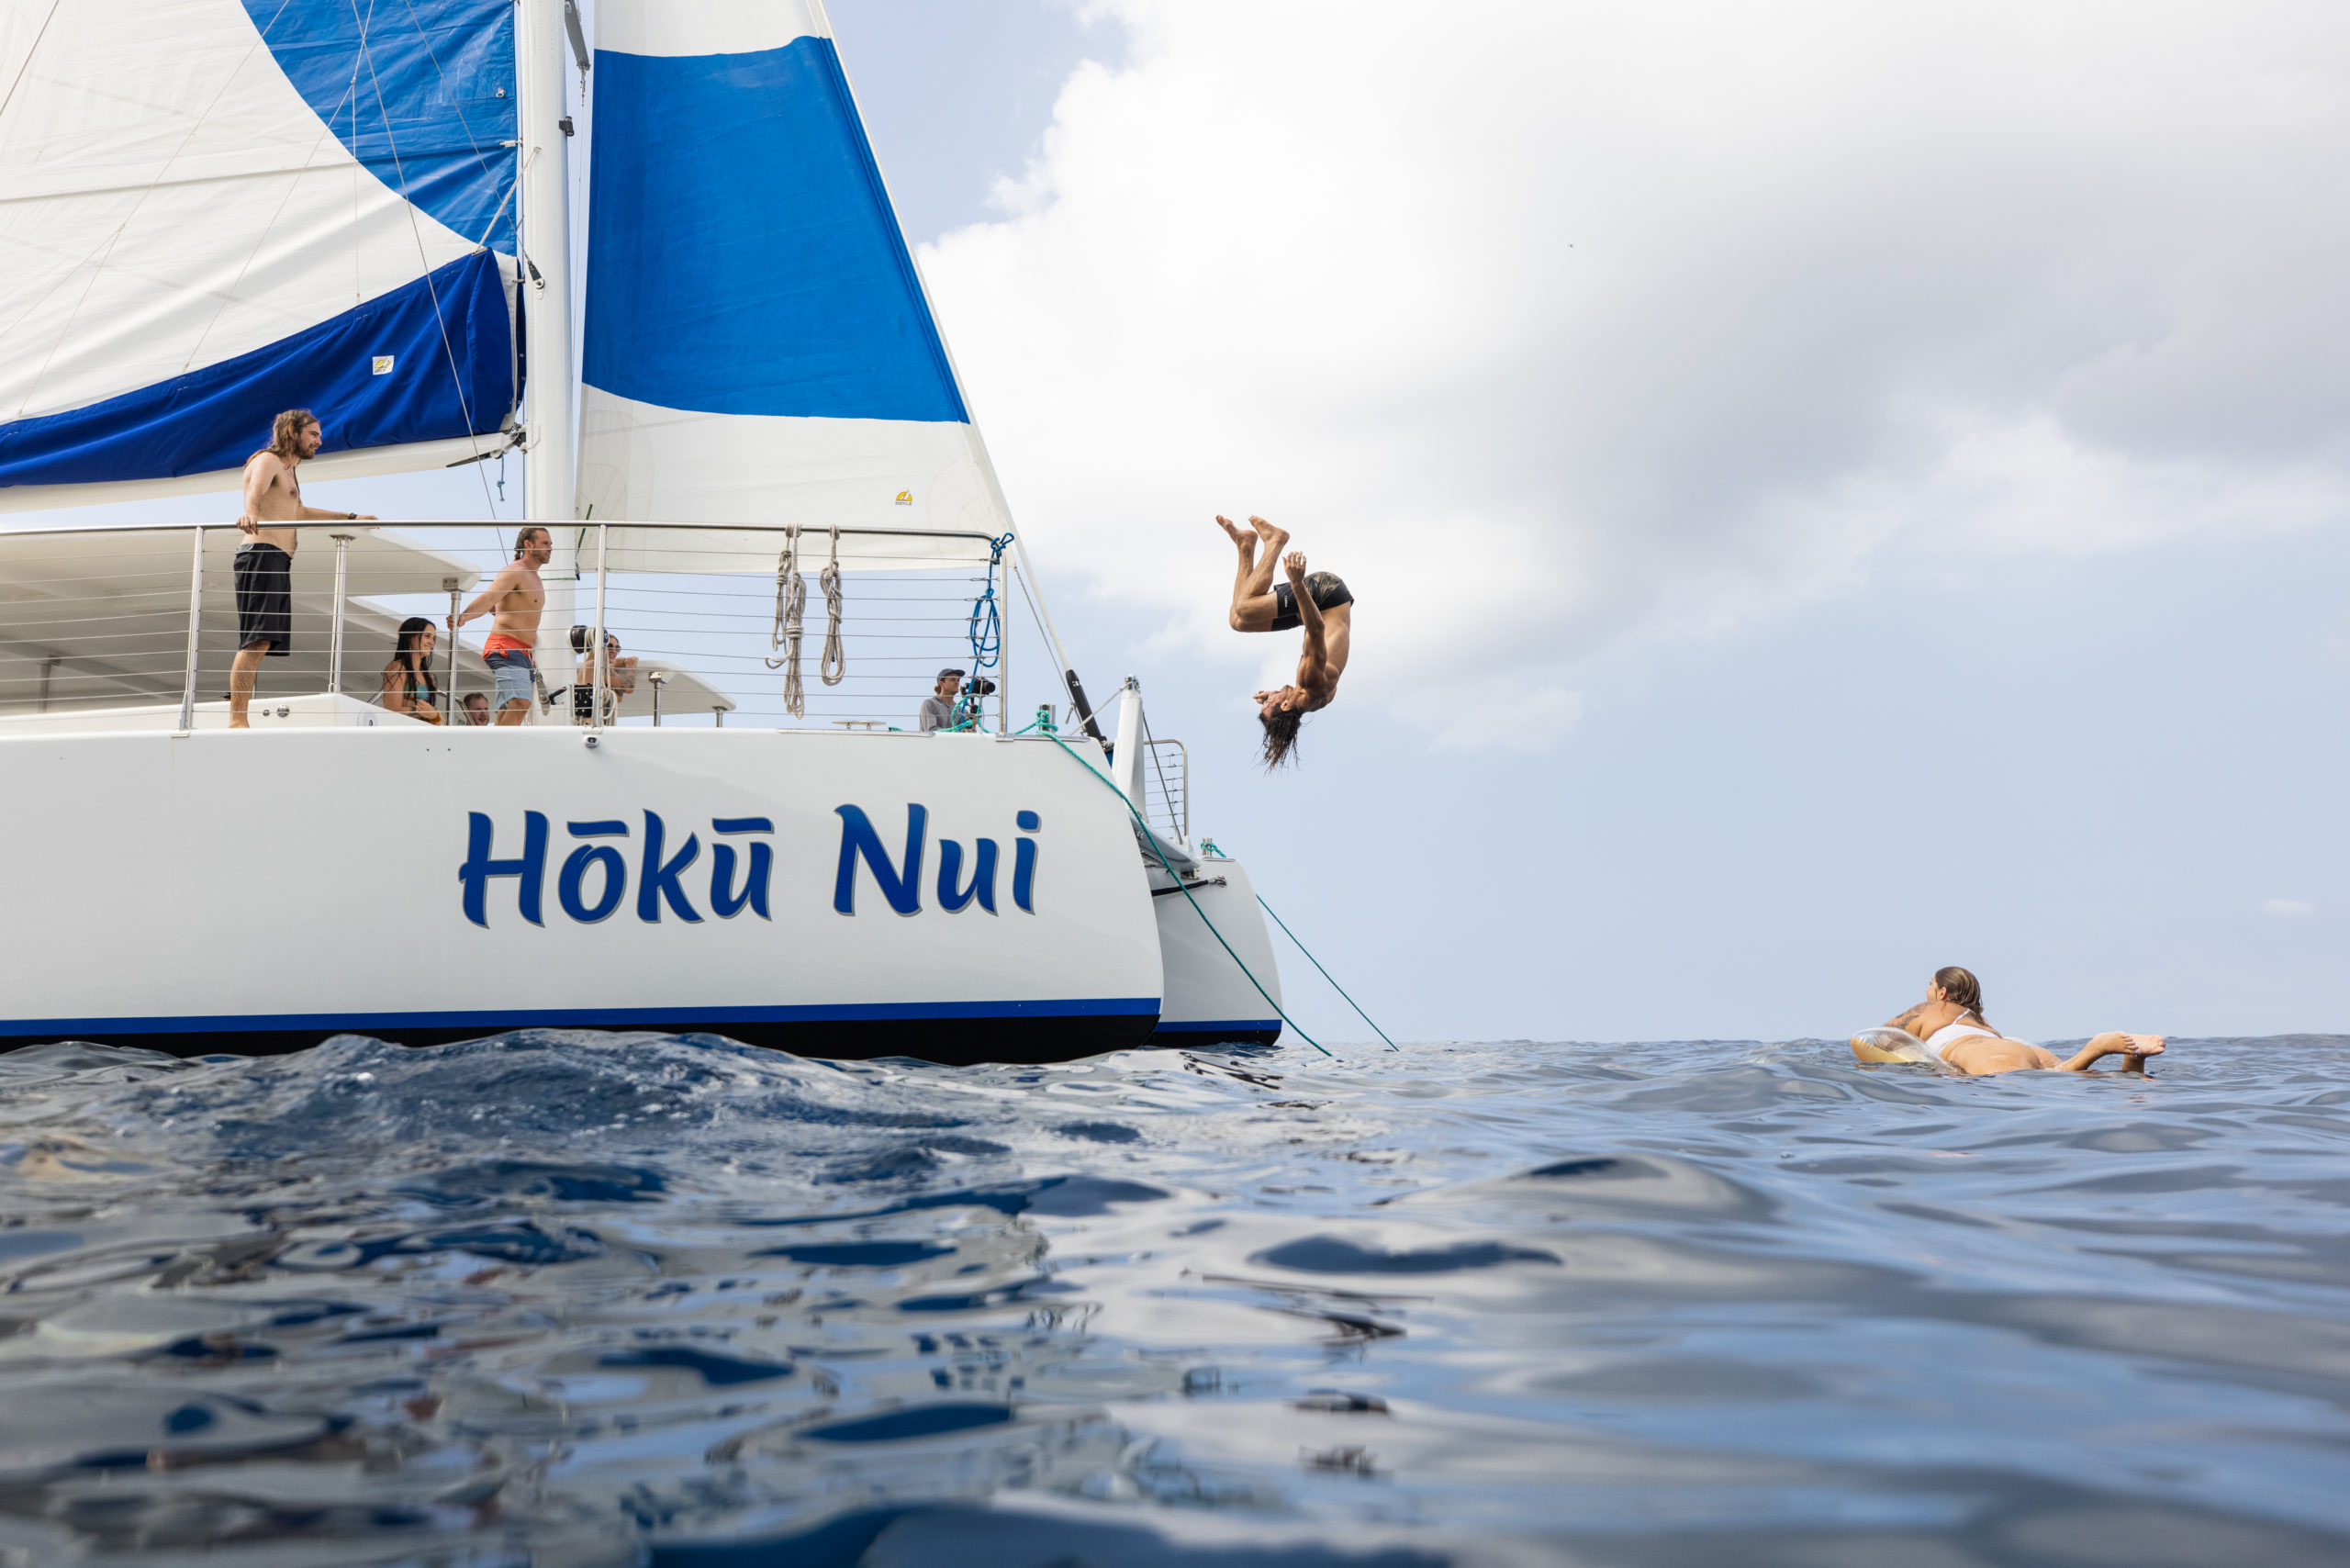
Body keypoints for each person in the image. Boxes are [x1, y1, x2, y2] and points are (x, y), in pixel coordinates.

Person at [229, 408, 375, 727]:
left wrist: (351, 518)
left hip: (277, 559)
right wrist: (249, 513)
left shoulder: (290, 470)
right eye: (314, 434)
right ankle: (237, 719)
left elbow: (301, 511)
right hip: (260, 553)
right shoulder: (267, 460)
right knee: (255, 640)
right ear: (291, 432)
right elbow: (254, 491)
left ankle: (239, 714)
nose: (319, 441)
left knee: (264, 641)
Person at [1215, 515, 1352, 767]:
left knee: (1238, 621)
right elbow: (1317, 629)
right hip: (1326, 595)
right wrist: (1297, 584)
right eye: (1271, 702)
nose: (1269, 698)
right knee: (1245, 608)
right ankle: (1275, 541)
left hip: (1320, 609)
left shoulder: (1313, 702)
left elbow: (1320, 675)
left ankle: (1245, 546)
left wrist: (1278, 694)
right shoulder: (1309, 680)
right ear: (1287, 705)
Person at [1852, 966, 2166, 1075]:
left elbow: (1877, 1038)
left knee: (2027, 1082)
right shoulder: (1982, 1021)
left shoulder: (1931, 1009)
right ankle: (2132, 1060)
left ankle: (2095, 1048)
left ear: (1943, 992)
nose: (1926, 990)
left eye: (1930, 985)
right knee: (2065, 1078)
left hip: (1972, 1050)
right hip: (2013, 1046)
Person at [449, 526, 552, 725]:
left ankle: (494, 747)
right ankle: (497, 752)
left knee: (507, 709)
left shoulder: (534, 577)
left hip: (523, 652)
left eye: (551, 544)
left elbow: (497, 608)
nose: (550, 548)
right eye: (545, 543)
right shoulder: (515, 571)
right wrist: (464, 617)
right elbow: (489, 598)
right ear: (528, 545)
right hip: (506, 647)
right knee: (520, 704)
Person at [379, 617, 443, 723]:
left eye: (434, 638)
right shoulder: (397, 668)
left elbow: (432, 716)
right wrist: (432, 714)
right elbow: (393, 709)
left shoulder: (431, 678)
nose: (432, 642)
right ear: (410, 637)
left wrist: (433, 714)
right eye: (427, 636)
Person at [569, 625, 638, 723]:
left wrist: (616, 669)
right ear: (599, 647)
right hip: (589, 725)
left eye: (617, 648)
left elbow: (618, 698)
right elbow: (629, 687)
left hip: (595, 724)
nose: (614, 651)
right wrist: (631, 666)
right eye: (610, 646)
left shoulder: (598, 668)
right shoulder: (595, 665)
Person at [919, 668, 966, 733]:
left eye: (958, 680)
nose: (957, 682)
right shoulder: (929, 704)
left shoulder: (961, 711)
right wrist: (955, 733)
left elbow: (967, 733)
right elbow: (931, 731)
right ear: (941, 683)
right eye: (952, 679)